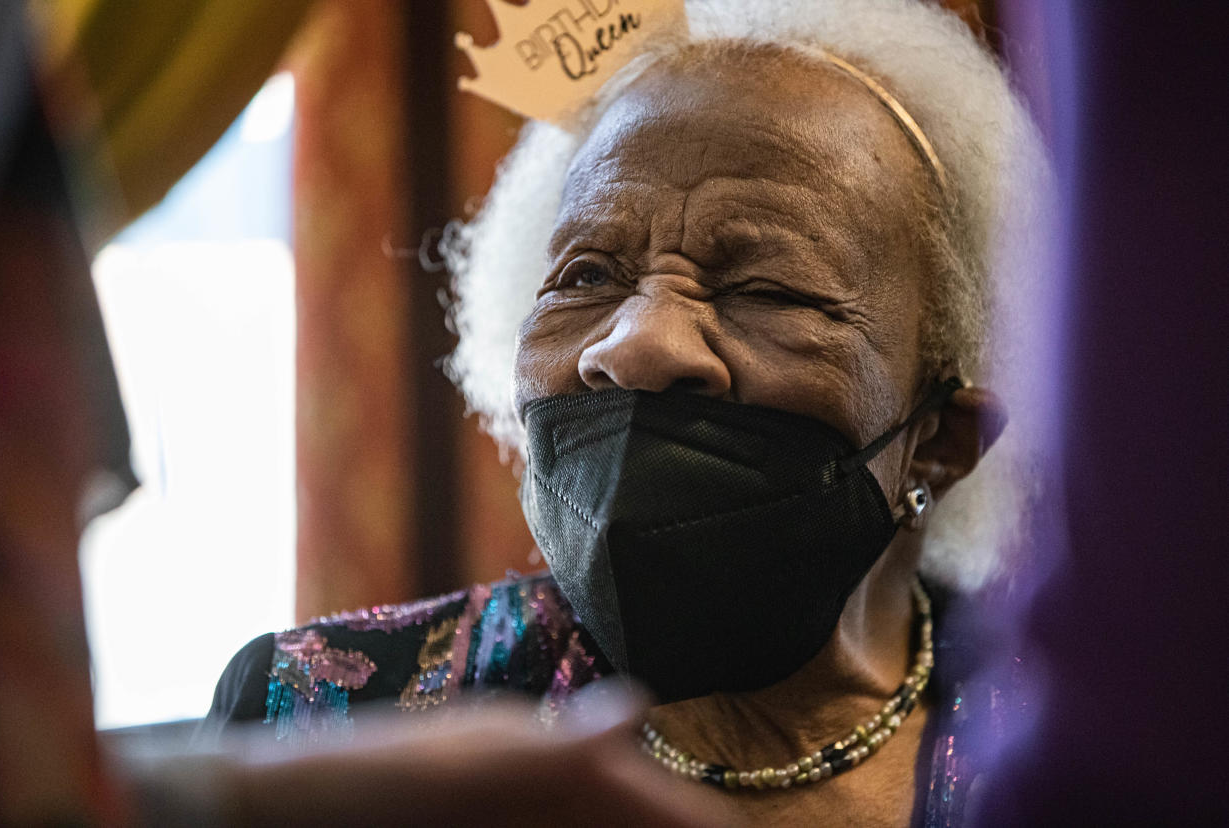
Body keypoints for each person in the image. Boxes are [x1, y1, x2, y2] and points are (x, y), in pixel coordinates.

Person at [204, 1, 1050, 824]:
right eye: (587, 277)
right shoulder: (317, 714)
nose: (636, 344)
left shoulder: (1088, 753)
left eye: (767, 289)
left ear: (942, 442)